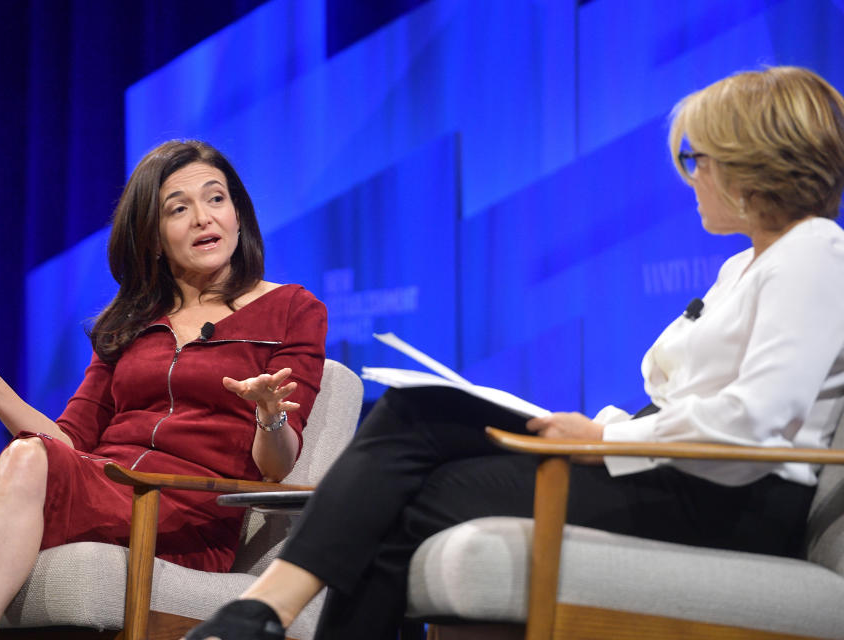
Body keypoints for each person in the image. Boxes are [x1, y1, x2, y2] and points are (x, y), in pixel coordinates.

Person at [185, 65, 844, 640]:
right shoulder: (744, 268)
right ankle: (258, 615)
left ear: (752, 164)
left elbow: (756, 416)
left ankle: (257, 612)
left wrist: (604, 441)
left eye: (699, 159)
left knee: (405, 488)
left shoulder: (816, 251)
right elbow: (696, 408)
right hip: (675, 476)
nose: (691, 176)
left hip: (728, 504)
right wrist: (608, 432)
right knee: (417, 418)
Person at [0, 140, 327, 640]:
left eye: (216, 198)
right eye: (178, 209)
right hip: (106, 488)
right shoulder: (131, 320)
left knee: (25, 459)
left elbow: (277, 465)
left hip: (178, 513)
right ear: (154, 237)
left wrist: (269, 414)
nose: (204, 219)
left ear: (238, 213)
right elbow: (69, 440)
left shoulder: (292, 308)